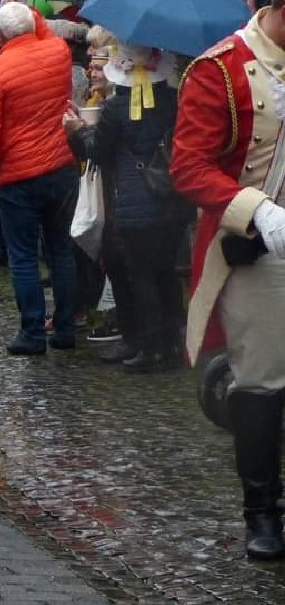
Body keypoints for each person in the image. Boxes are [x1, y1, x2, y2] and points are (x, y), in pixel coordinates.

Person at [170, 0, 285, 560]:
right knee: (264, 381)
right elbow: (188, 169)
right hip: (255, 249)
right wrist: (259, 213)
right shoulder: (217, 70)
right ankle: (263, 513)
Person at [64, 42, 186, 371]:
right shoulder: (176, 101)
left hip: (133, 202)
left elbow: (96, 151)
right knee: (166, 273)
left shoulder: (118, 109)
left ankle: (149, 348)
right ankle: (172, 343)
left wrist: (77, 132)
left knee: (142, 274)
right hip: (172, 199)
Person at [0, 3, 79, 355]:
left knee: (22, 257)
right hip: (62, 164)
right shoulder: (58, 51)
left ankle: (33, 333)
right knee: (60, 249)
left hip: (17, 173)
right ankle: (65, 327)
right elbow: (45, 32)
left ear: (0, 35)